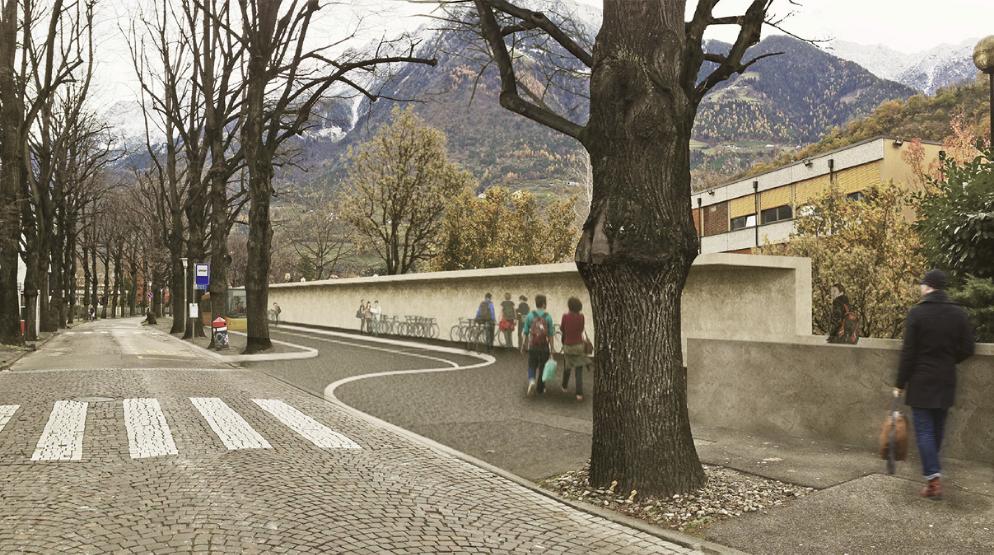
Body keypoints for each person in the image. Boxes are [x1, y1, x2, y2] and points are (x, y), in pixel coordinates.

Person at [894, 269, 975, 500]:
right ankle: (932, 479)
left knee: (925, 432)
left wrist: (900, 383)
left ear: (928, 286)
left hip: (921, 380)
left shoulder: (917, 313)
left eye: (922, 284)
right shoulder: (958, 313)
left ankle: (933, 478)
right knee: (937, 430)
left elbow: (908, 353)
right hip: (946, 378)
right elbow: (968, 348)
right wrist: (950, 360)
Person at [559, 296, 592, 402]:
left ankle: (564, 387)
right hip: (579, 346)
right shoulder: (581, 317)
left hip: (568, 346)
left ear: (569, 306)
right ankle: (579, 394)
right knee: (579, 371)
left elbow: (562, 329)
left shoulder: (565, 316)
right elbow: (581, 329)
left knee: (567, 367)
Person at [521, 294, 554, 396]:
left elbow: (525, 332)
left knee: (532, 365)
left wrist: (523, 345)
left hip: (533, 345)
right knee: (543, 367)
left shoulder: (530, 315)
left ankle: (531, 381)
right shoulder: (548, 317)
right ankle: (541, 388)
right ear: (544, 304)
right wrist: (552, 349)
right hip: (544, 346)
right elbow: (551, 335)